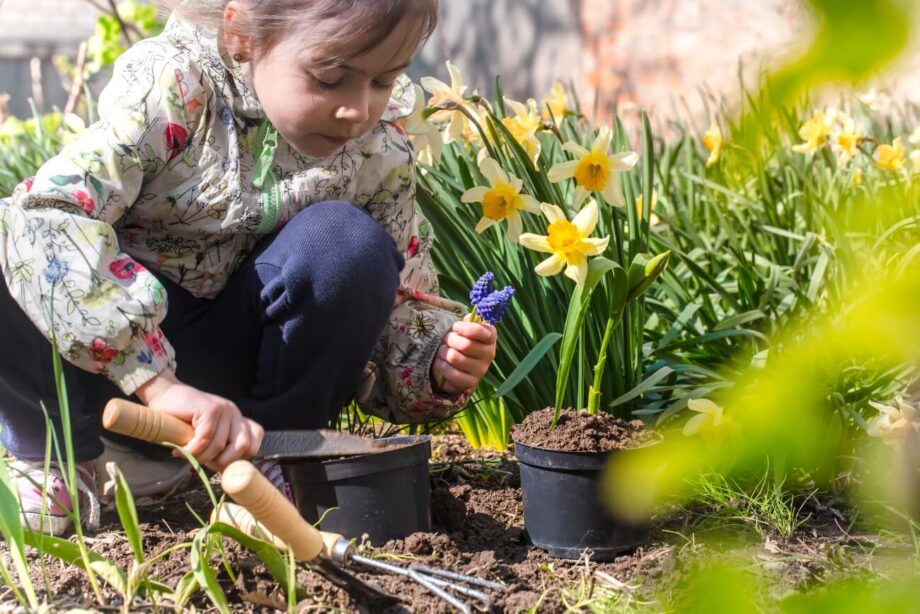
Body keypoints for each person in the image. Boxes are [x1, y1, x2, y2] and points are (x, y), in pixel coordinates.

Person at [0, 0, 498, 535]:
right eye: (331, 78)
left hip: (246, 396)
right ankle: (59, 455)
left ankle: (277, 462)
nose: (359, 109)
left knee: (346, 243)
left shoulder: (377, 149)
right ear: (241, 34)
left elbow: (399, 300)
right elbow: (51, 216)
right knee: (23, 229)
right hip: (115, 375)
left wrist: (431, 361)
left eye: (383, 81)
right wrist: (156, 382)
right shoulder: (171, 90)